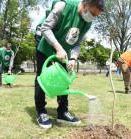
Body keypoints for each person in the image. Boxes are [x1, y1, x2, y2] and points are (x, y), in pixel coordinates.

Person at [34, 0, 105, 129]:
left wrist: (73, 58)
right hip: (45, 38)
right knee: (42, 75)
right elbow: (45, 28)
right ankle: (41, 112)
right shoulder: (63, 6)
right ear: (84, 5)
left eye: (96, 16)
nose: (93, 18)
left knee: (64, 77)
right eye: (93, 14)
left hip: (62, 46)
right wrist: (58, 48)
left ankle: (62, 112)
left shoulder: (87, 22)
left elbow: (77, 43)